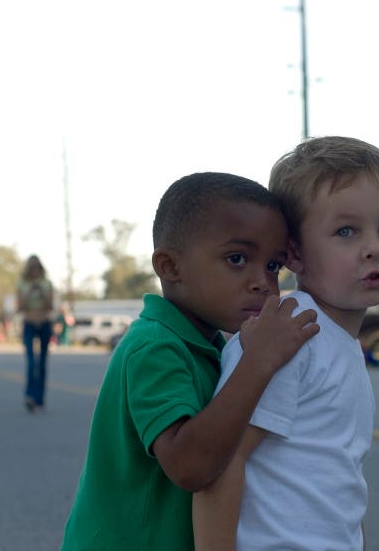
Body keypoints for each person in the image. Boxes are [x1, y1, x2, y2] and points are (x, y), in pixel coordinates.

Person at [60, 172, 319, 551]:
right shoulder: (154, 347)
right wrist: (259, 362)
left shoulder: (210, 345)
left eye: (273, 266)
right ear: (169, 267)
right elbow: (190, 466)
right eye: (237, 258)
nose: (262, 282)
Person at [193, 136, 379, 551]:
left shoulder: (334, 341)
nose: (373, 249)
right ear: (294, 253)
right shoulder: (288, 334)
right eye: (346, 231)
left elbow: (338, 481)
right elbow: (223, 461)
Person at [17, 254, 54, 412]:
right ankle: (29, 395)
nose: (35, 271)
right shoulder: (22, 283)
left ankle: (40, 399)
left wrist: (42, 292)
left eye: (38, 268)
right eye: (32, 268)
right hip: (29, 322)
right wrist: (30, 291)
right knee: (31, 361)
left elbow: (50, 305)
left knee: (43, 361)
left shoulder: (47, 283)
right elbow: (20, 307)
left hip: (44, 322)